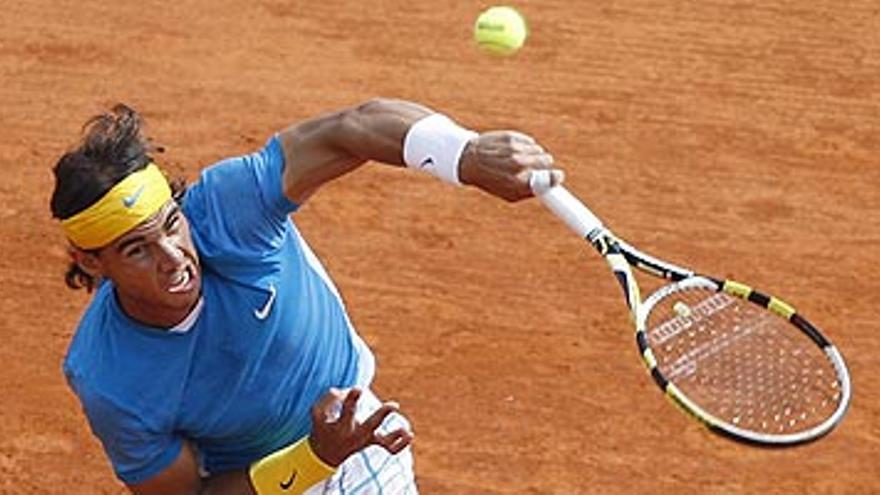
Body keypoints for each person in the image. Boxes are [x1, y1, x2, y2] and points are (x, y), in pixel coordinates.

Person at [50, 98, 561, 495]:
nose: (174, 257)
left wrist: (464, 154)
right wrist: (313, 456)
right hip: (262, 481)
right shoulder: (108, 378)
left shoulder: (231, 209)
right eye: (138, 249)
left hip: (363, 448)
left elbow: (349, 130)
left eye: (172, 225)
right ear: (93, 263)